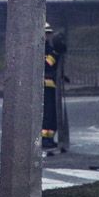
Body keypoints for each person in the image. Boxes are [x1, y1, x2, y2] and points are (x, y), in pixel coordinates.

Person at [41, 22, 64, 150]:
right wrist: (55, 53)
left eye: (49, 33)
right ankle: (44, 139)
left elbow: (53, 66)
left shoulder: (48, 48)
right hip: (42, 86)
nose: (48, 35)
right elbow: (46, 64)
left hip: (51, 86)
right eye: (46, 33)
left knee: (53, 114)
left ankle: (50, 138)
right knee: (47, 114)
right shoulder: (39, 49)